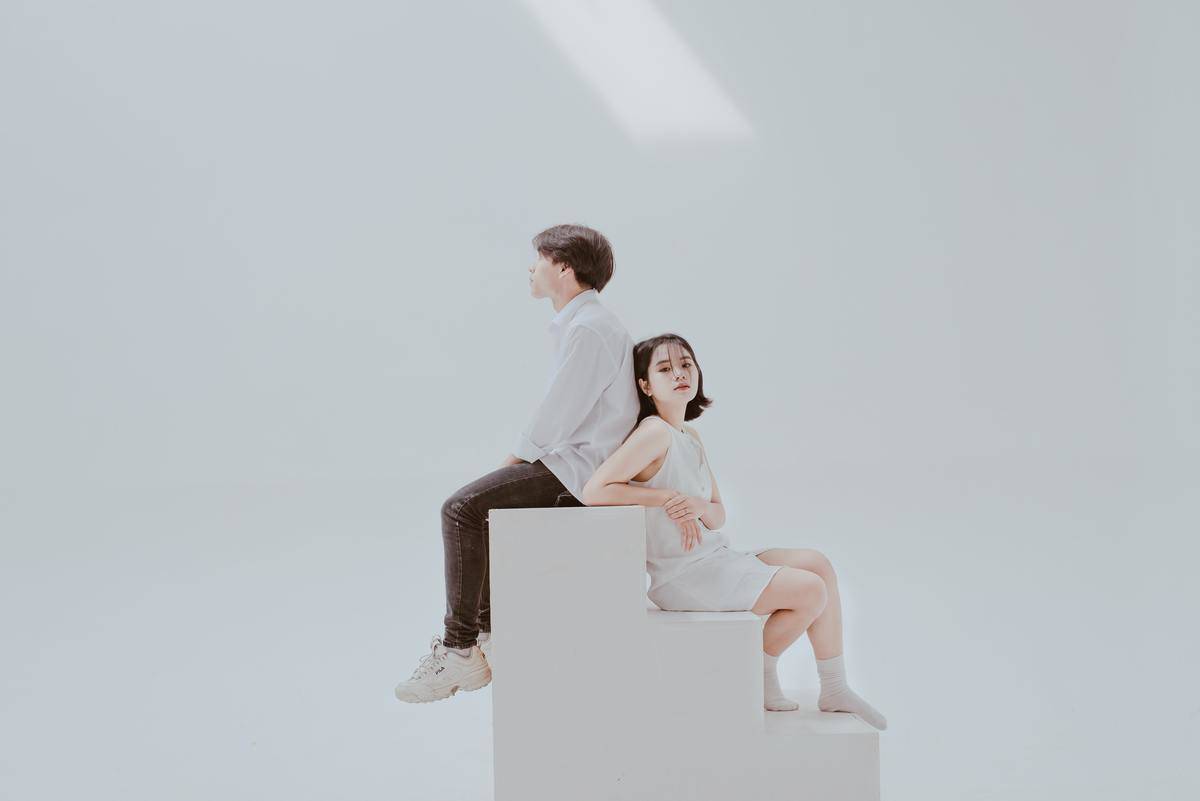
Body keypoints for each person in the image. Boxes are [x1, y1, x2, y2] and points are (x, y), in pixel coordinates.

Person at [581, 333, 887, 729]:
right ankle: (757, 672)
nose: (679, 374)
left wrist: (695, 505)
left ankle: (834, 686)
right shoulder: (653, 432)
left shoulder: (689, 437)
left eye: (686, 364)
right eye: (664, 368)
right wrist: (665, 497)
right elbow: (594, 490)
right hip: (683, 575)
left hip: (714, 557)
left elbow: (718, 514)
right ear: (645, 385)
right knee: (811, 590)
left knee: (818, 564)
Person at [395, 224, 640, 703]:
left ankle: (460, 649)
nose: (531, 268)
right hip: (576, 464)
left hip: (578, 474)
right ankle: (484, 638)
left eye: (539, 259)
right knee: (478, 510)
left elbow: (559, 414)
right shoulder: (585, 324)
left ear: (564, 269)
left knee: (461, 508)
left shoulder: (590, 328)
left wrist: (512, 462)